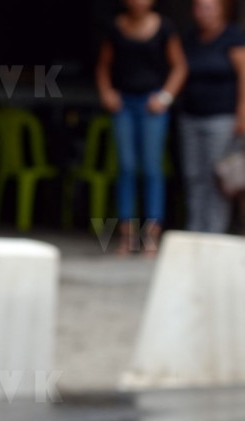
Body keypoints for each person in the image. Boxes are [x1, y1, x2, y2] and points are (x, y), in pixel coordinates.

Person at [96, 0, 187, 255]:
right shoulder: (116, 27)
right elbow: (104, 66)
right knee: (126, 167)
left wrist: (165, 97)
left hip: (151, 104)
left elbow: (179, 66)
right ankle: (126, 237)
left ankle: (151, 236)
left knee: (151, 168)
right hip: (124, 103)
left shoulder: (165, 27)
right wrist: (106, 92)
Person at [179, 0, 245, 233]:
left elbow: (243, 74)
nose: (204, 13)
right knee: (193, 176)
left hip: (222, 117)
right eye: (199, 7)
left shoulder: (232, 36)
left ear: (221, 9)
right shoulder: (190, 37)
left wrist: (242, 111)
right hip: (191, 115)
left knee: (216, 178)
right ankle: (195, 229)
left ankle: (213, 232)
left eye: (209, 7)